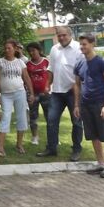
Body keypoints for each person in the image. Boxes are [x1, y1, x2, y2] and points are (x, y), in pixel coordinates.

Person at [37, 26, 84, 161]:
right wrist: (47, 84)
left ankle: (76, 149)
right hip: (56, 91)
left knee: (76, 122)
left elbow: (82, 72)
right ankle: (51, 148)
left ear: (70, 35)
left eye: (64, 35)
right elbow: (50, 69)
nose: (61, 38)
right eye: (59, 35)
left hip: (73, 91)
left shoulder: (78, 48)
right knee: (51, 121)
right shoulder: (54, 49)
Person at [73, 34, 104, 178]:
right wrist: (77, 105)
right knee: (93, 136)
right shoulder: (79, 63)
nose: (82, 47)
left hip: (101, 104)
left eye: (84, 44)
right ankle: (100, 164)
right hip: (86, 104)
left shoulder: (102, 62)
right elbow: (77, 85)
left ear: (92, 44)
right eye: (81, 44)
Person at [0, 40, 35, 157]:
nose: (7, 50)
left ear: (15, 49)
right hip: (6, 95)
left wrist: (31, 93)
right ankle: (0, 147)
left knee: (21, 117)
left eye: (9, 48)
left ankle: (19, 144)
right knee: (5, 117)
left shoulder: (21, 63)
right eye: (5, 48)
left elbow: (26, 78)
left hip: (20, 93)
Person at [26, 42, 50, 146]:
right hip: (33, 94)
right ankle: (35, 136)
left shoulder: (46, 62)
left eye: (33, 50)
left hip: (46, 94)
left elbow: (51, 75)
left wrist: (49, 87)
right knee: (33, 117)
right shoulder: (27, 64)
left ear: (39, 50)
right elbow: (26, 79)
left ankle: (53, 137)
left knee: (49, 117)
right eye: (30, 51)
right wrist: (29, 92)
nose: (31, 53)